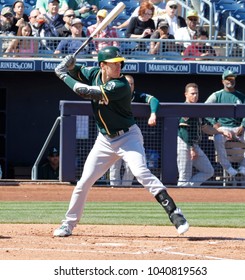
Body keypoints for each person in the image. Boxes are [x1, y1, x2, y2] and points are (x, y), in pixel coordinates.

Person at [53, 46, 189, 237]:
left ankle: (175, 213)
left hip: (128, 138)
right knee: (83, 183)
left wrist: (62, 75)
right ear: (102, 65)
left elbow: (85, 91)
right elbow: (78, 71)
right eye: (114, 64)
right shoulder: (93, 73)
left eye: (120, 63)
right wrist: (71, 64)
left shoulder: (121, 85)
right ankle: (68, 224)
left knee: (141, 172)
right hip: (104, 141)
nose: (119, 67)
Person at [205, 70, 245, 178]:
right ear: (223, 81)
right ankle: (228, 168)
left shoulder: (242, 96)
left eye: (232, 78)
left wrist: (243, 125)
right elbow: (205, 110)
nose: (230, 81)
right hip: (224, 128)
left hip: (238, 128)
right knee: (218, 138)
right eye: (228, 79)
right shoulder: (216, 95)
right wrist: (215, 124)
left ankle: (243, 167)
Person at [109, 74, 160, 186]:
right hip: (114, 134)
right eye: (127, 83)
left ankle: (125, 190)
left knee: (131, 166)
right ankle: (114, 190)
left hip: (129, 135)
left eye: (132, 83)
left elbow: (154, 100)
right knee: (114, 166)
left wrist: (153, 114)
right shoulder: (114, 94)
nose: (130, 85)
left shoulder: (136, 96)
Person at [177, 83, 214, 187]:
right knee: (184, 177)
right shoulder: (185, 107)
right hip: (184, 144)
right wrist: (191, 148)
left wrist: (221, 131)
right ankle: (180, 197)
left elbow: (205, 127)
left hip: (193, 145)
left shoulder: (197, 108)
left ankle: (188, 188)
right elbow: (184, 131)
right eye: (192, 93)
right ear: (186, 94)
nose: (195, 96)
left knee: (208, 170)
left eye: (196, 93)